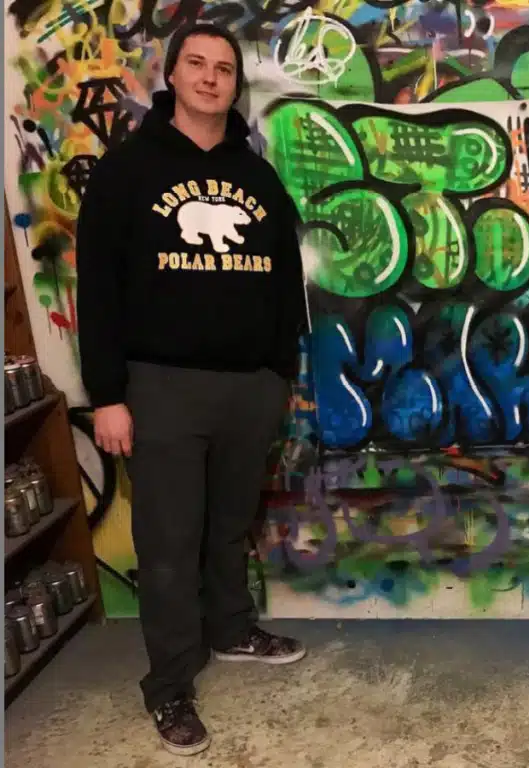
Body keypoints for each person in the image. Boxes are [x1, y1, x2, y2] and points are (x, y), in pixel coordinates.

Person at [76, 22, 309, 755]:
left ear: (235, 85)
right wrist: (107, 395)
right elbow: (98, 290)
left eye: (224, 68)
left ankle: (231, 628)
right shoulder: (126, 171)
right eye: (197, 64)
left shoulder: (257, 176)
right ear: (172, 75)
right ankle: (170, 684)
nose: (211, 78)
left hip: (249, 388)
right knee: (169, 543)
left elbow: (284, 282)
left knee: (229, 525)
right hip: (162, 387)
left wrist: (280, 374)